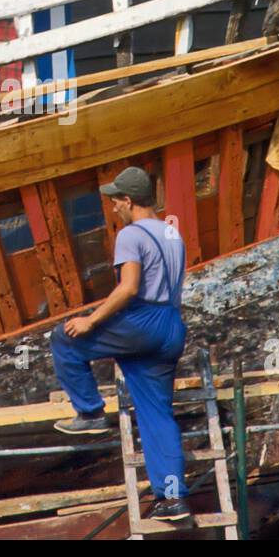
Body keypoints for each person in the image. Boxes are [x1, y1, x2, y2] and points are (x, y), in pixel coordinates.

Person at [49, 166, 190, 522]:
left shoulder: (131, 235)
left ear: (129, 201)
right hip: (172, 325)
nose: (113, 208)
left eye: (115, 202)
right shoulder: (173, 233)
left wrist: (91, 321)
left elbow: (128, 288)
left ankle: (91, 413)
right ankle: (172, 499)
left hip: (144, 320)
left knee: (64, 339)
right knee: (157, 415)